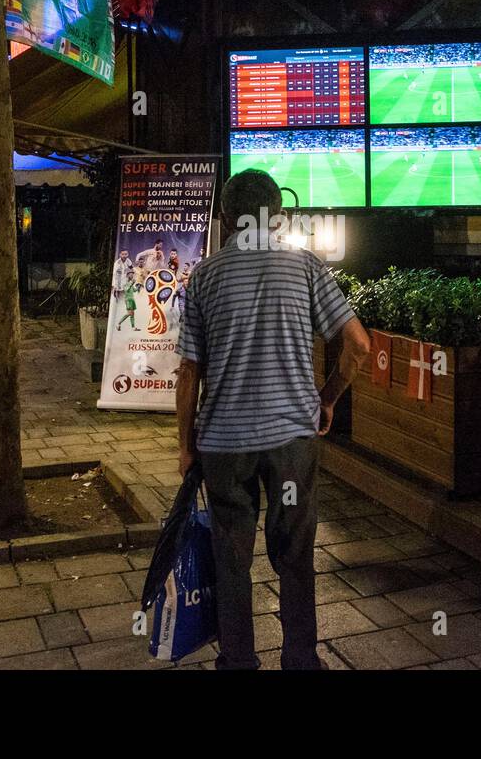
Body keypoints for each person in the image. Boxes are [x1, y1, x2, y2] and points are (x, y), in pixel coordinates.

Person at [175, 170, 369, 670]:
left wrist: (184, 445)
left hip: (224, 443)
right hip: (291, 440)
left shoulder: (205, 276)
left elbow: (189, 371)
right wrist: (326, 398)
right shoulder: (305, 267)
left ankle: (238, 660)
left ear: (227, 217)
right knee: (295, 551)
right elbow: (359, 344)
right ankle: (300, 659)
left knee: (232, 557)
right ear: (277, 215)